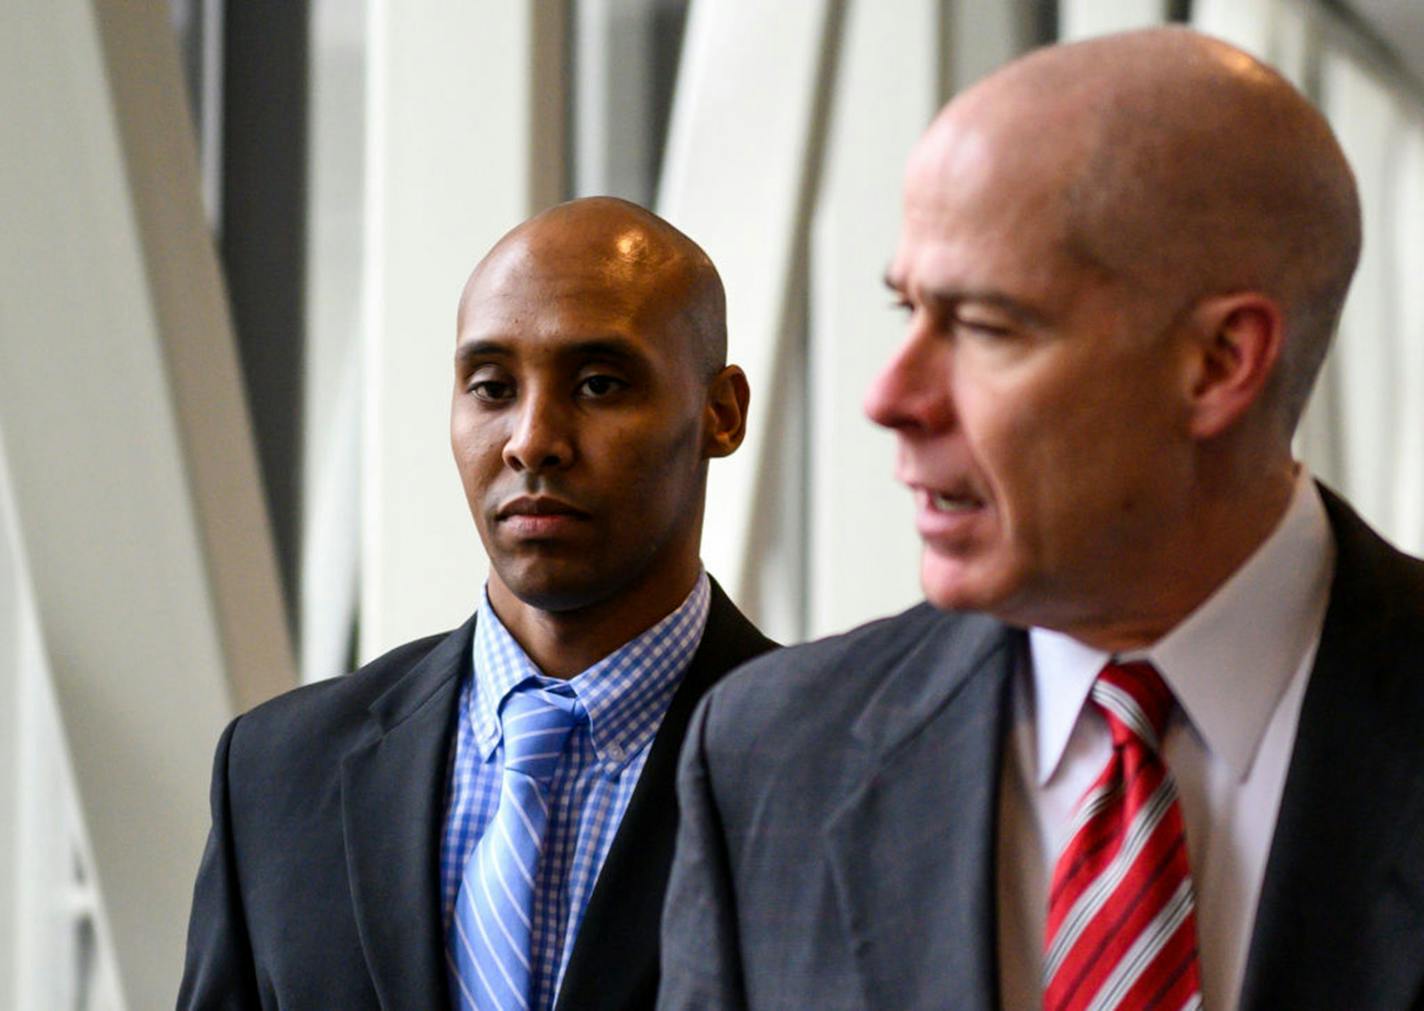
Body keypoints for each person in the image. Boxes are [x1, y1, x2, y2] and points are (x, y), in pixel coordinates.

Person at [659, 27, 1424, 1011]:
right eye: (906, 313)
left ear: (1218, 363)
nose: (889, 396)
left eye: (982, 327)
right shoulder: (767, 760)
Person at [179, 196, 775, 1010]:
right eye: (492, 387)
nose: (531, 439)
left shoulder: (839, 769)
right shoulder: (279, 773)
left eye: (599, 383)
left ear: (722, 411)